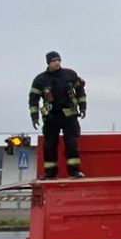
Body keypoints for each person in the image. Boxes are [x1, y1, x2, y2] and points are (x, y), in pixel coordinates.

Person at [28, 52, 87, 180]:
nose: (57, 63)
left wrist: (83, 107)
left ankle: (74, 172)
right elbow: (33, 99)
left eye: (58, 60)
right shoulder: (40, 80)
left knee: (72, 144)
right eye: (54, 60)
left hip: (69, 115)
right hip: (51, 117)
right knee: (49, 145)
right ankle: (50, 172)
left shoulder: (70, 75)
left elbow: (80, 91)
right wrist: (34, 116)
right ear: (48, 63)